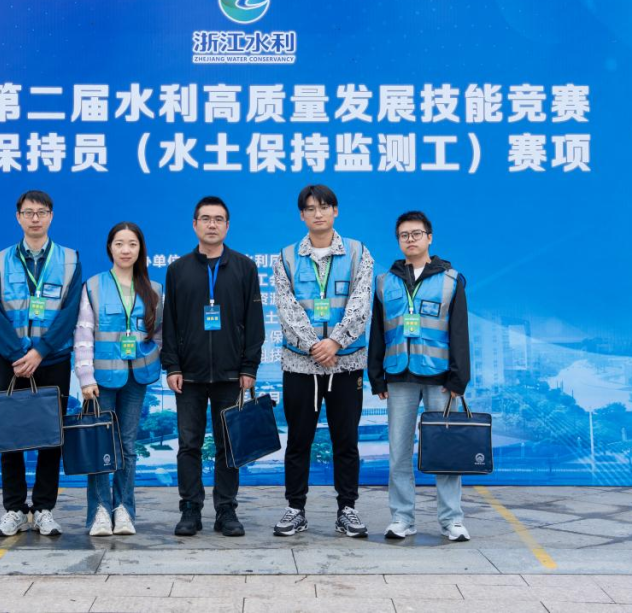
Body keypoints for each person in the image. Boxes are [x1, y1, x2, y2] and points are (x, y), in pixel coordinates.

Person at [272, 184, 375, 538]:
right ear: (302, 215)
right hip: (300, 365)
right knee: (298, 440)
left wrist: (335, 342)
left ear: (336, 211)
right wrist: (315, 346)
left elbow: (361, 302)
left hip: (346, 365)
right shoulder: (286, 257)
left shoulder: (359, 253)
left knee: (346, 440)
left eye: (325, 206)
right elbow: (286, 307)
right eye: (311, 208)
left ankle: (347, 509)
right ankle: (295, 509)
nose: (318, 213)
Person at [162, 196, 265, 537]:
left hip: (231, 374)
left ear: (227, 226)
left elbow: (255, 323)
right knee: (189, 445)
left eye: (218, 219)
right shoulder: (178, 270)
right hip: (188, 376)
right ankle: (190, 509)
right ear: (195, 224)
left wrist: (249, 368)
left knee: (228, 446)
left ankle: (226, 510)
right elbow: (170, 323)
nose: (211, 224)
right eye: (205, 218)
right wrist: (172, 366)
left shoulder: (244, 267)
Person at [369, 210, 472, 542]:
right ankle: (402, 518)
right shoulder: (384, 282)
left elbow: (459, 332)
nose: (410, 240)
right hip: (398, 377)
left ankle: (452, 520)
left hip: (440, 379)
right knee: (398, 452)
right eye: (404, 235)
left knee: (445, 450)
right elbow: (377, 333)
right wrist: (376, 376)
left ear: (429, 237)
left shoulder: (451, 280)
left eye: (416, 234)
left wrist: (458, 379)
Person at [0, 190, 81, 537]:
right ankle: (14, 509)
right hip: (11, 362)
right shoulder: (1, 260)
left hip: (53, 359)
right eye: (29, 212)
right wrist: (16, 354)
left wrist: (40, 351)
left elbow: (70, 311)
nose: (35, 218)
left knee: (50, 437)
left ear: (51, 216)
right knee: (10, 436)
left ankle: (43, 509)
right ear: (18, 217)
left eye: (41, 212)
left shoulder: (69, 259)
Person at [74, 222, 163, 536]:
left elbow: (160, 334)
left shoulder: (154, 289)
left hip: (137, 378)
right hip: (100, 380)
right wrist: (85, 377)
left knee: (127, 445)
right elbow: (83, 334)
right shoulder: (94, 286)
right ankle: (99, 511)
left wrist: (151, 359)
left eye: (132, 244)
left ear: (141, 249)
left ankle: (124, 509)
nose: (126, 250)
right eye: (119, 244)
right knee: (100, 444)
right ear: (109, 248)